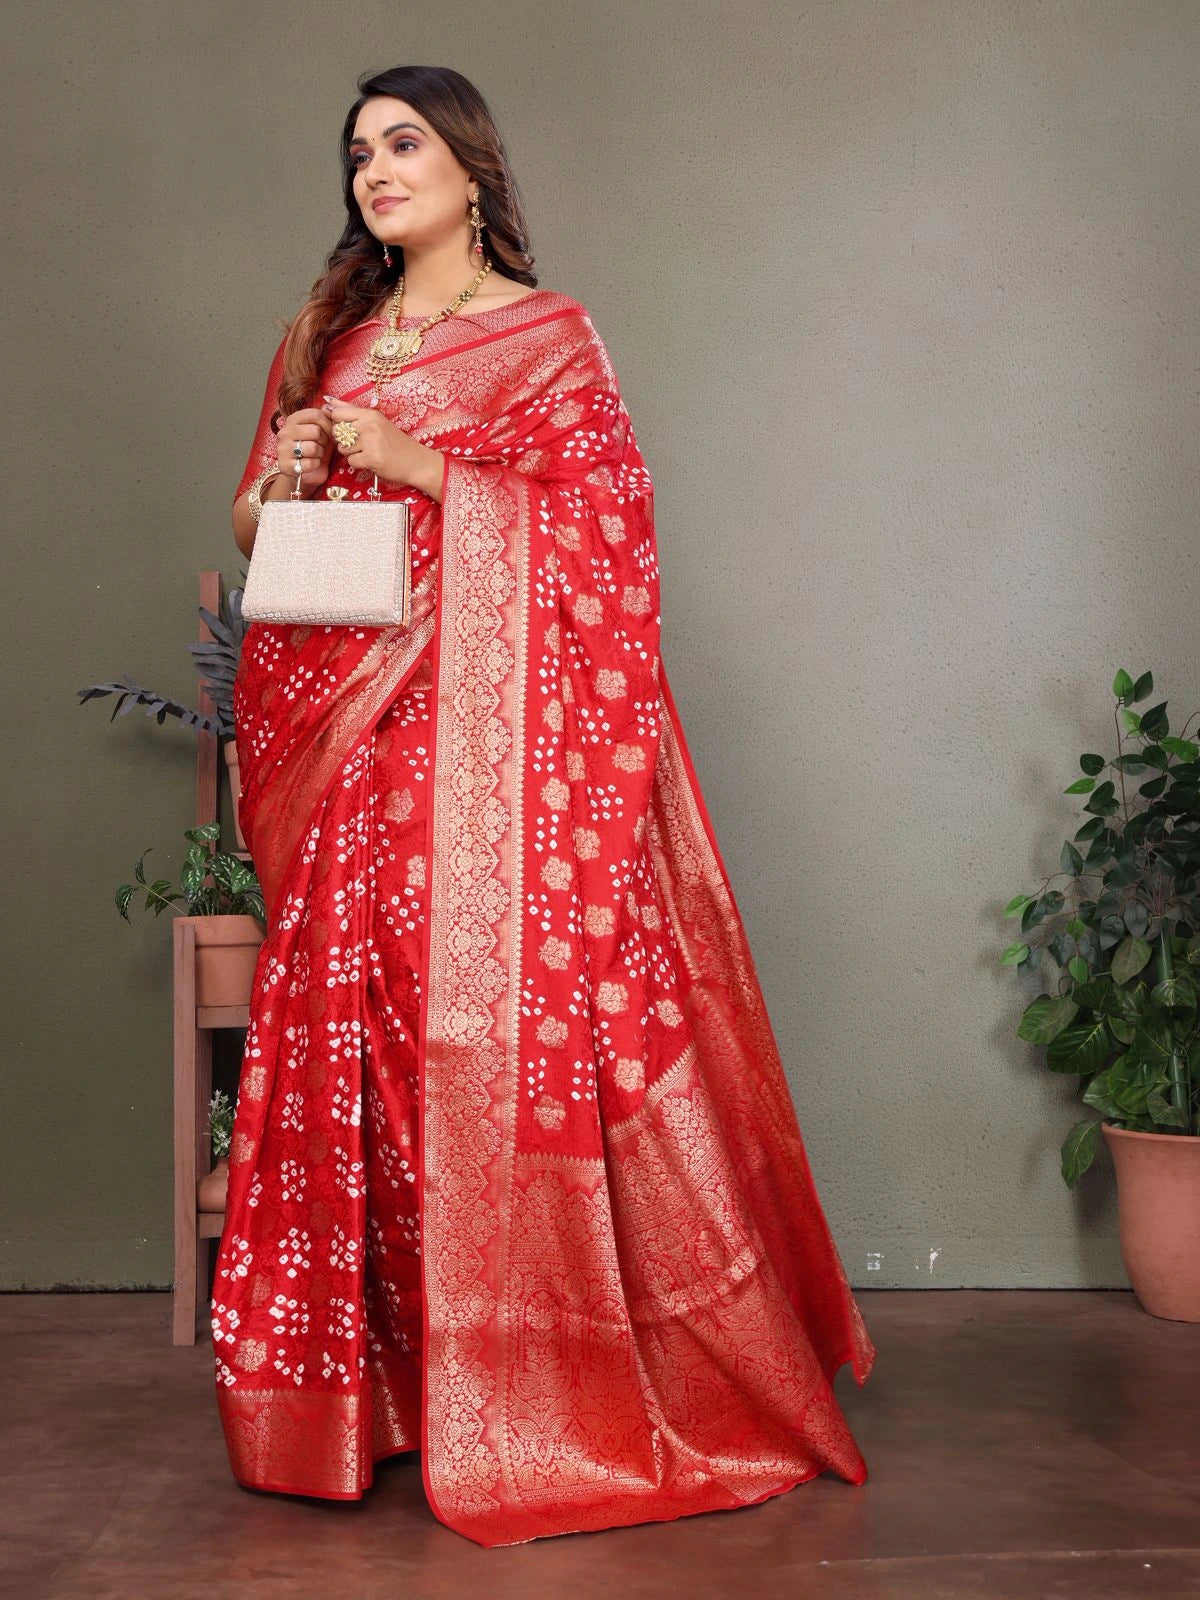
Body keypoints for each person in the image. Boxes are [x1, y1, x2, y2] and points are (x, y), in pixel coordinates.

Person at [213, 62, 875, 1550]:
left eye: (402, 144)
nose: (375, 171)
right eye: (358, 153)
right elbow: (256, 520)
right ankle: (377, 1389)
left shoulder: (550, 337)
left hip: (491, 754)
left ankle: (531, 1378)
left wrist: (427, 466)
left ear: (469, 164)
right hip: (353, 744)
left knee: (493, 1028)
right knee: (361, 1024)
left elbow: (610, 533)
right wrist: (309, 460)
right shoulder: (331, 331)